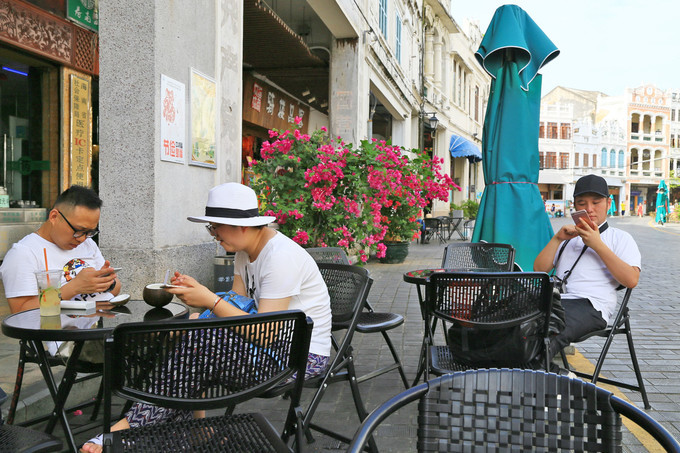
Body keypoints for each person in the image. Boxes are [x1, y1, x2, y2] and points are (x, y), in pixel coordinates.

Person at [81, 182, 332, 452]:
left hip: (300, 357)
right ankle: (191, 431)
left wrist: (208, 300)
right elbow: (236, 305)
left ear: (241, 226)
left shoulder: (281, 257)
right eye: (210, 227)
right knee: (193, 336)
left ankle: (130, 429)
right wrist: (200, 303)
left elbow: (265, 333)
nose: (213, 234)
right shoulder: (244, 252)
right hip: (268, 348)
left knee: (202, 342)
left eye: (215, 227)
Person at [534, 174, 641, 366]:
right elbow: (539, 270)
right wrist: (557, 239)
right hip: (557, 300)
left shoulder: (620, 238)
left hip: (592, 306)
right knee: (514, 318)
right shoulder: (568, 237)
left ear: (609, 203)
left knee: (548, 329)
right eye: (582, 203)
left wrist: (597, 245)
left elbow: (631, 279)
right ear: (574, 205)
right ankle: (543, 374)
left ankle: (549, 379)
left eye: (596, 202)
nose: (589, 209)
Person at [0, 185, 121, 314]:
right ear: (54, 217)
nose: (81, 239)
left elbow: (116, 287)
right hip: (55, 331)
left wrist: (107, 283)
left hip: (95, 328)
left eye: (90, 232)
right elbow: (21, 312)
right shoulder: (23, 253)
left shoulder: (88, 243)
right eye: (78, 230)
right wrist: (74, 287)